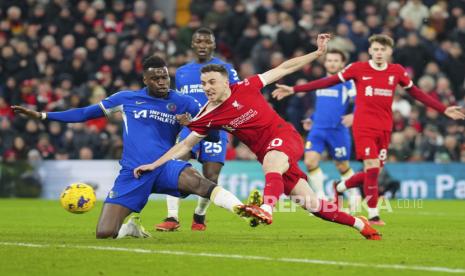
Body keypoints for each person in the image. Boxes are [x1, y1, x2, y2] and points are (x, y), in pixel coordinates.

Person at [134, 34, 382, 240]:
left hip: (284, 137)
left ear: (225, 83)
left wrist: (317, 53)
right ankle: (361, 225)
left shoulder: (246, 86)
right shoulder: (207, 115)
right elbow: (184, 145)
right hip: (268, 155)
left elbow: (283, 68)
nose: (206, 87)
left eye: (211, 82)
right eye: (203, 83)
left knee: (272, 161)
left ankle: (266, 209)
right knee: (314, 206)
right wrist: (155, 164)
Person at [12, 55, 265, 239]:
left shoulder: (184, 102)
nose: (162, 81)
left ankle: (242, 209)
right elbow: (84, 113)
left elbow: (211, 137)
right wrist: (43, 117)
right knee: (104, 233)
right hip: (133, 172)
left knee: (199, 182)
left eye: (165, 76)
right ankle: (129, 228)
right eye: (155, 78)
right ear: (145, 80)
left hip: (164, 166)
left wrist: (193, 124)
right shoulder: (126, 99)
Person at [271, 34, 465, 225]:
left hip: (385, 128)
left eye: (383, 49)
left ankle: (340, 186)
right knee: (371, 166)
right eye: (376, 49)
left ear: (389, 51)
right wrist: (294, 89)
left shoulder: (396, 71)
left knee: (374, 172)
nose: (379, 53)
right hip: (363, 127)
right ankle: (373, 215)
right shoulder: (358, 69)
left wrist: (443, 108)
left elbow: (417, 93)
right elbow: (327, 82)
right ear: (370, 51)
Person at [157, 27, 240, 232]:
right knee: (175, 164)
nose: (203, 45)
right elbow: (177, 100)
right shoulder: (183, 72)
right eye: (199, 42)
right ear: (193, 44)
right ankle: (172, 217)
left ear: (213, 44)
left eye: (207, 42)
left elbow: (238, 95)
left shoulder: (226, 68)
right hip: (190, 127)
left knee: (211, 175)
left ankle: (199, 216)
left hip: (217, 128)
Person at [278, 49, 359, 212]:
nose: (332, 63)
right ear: (325, 63)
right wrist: (313, 119)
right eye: (329, 60)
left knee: (342, 165)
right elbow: (322, 107)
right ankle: (321, 198)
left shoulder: (348, 83)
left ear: (342, 64)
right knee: (309, 161)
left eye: (336, 60)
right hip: (318, 129)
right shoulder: (321, 83)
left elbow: (359, 101)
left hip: (337, 130)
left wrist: (353, 115)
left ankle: (355, 197)